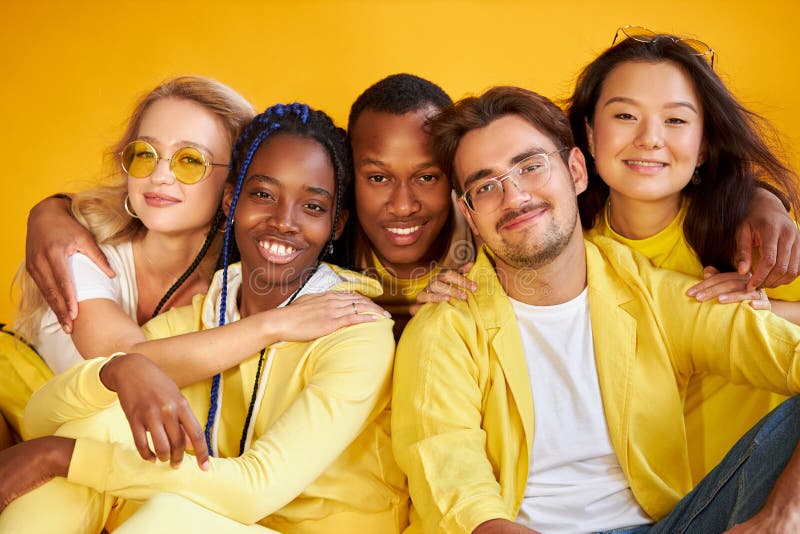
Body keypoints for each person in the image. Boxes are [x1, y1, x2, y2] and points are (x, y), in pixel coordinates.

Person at [392, 86, 800, 533]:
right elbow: (456, 488)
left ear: (575, 171)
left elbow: (785, 354)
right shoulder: (444, 327)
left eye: (530, 166)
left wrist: (785, 513)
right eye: (485, 186)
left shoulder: (647, 291)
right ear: (470, 215)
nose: (514, 197)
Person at [0, 103, 407, 533]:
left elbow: (255, 489)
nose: (284, 222)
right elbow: (46, 418)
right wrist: (118, 370)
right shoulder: (205, 311)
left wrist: (58, 456)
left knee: (154, 515)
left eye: (312, 207)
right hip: (211, 515)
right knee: (94, 428)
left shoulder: (356, 329)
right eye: (264, 195)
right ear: (231, 200)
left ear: (336, 224)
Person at [566, 27, 800, 483]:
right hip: (633, 505)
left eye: (675, 120)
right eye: (625, 116)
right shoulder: (566, 245)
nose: (650, 139)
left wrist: (767, 311)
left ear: (704, 146)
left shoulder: (756, 240)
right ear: (590, 136)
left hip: (750, 492)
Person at [2, 76, 255, 439]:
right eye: (145, 154)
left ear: (234, 184)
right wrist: (276, 326)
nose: (160, 175)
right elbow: (125, 361)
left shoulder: (238, 287)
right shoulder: (80, 250)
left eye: (189, 160)